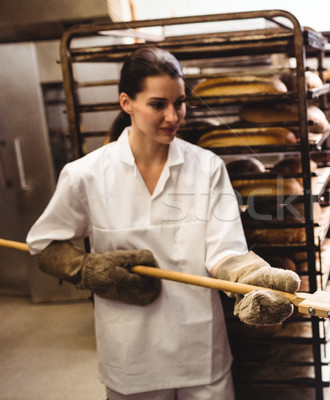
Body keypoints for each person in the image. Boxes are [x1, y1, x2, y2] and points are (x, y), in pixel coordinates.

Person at [26, 47, 300, 400]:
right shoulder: (86, 175)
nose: (173, 116)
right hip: (130, 352)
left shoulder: (206, 167)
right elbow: (45, 243)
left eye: (180, 102)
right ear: (126, 103)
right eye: (158, 104)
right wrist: (85, 267)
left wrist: (252, 278)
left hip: (199, 347)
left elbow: (225, 250)